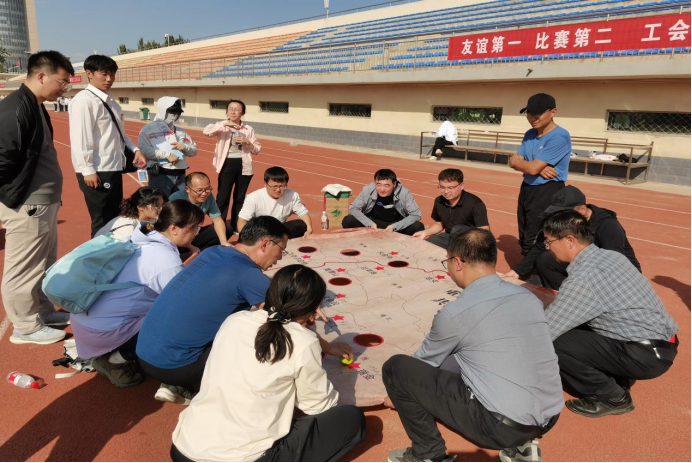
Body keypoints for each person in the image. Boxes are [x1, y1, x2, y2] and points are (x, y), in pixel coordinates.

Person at [383, 229, 563, 463]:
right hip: (550, 416)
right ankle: (521, 447)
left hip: (500, 427)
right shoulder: (527, 297)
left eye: (447, 261)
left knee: (397, 369)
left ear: (457, 262)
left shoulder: (456, 314)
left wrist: (395, 393)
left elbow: (423, 363)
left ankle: (427, 454)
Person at [171, 265, 366, 462]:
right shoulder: (304, 341)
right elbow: (318, 405)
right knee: (351, 419)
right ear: (313, 309)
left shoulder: (235, 320)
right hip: (239, 457)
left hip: (184, 447)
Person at [541, 211, 678, 418]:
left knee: (554, 343)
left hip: (645, 355)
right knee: (579, 324)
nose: (547, 247)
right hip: (664, 343)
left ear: (569, 240)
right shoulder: (611, 256)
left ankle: (612, 397)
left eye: (549, 241)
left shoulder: (584, 277)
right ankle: (617, 374)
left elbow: (547, 330)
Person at [71, 200, 205, 389]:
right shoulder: (167, 261)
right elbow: (183, 307)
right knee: (180, 322)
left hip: (84, 317)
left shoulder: (141, 234)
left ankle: (113, 351)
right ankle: (114, 360)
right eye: (195, 229)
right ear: (174, 228)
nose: (196, 234)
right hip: (101, 333)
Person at [0, 51, 75, 346]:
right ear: (42, 76)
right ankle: (25, 327)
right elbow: (3, 160)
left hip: (42, 202)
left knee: (44, 263)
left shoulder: (36, 106)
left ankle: (42, 311)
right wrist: (14, 196)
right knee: (24, 267)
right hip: (27, 204)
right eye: (63, 81)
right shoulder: (14, 109)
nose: (65, 88)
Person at [502, 186, 641, 290]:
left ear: (582, 210)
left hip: (617, 275)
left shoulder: (608, 226)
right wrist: (517, 271)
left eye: (565, 213)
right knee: (545, 259)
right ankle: (560, 294)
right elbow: (540, 245)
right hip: (584, 263)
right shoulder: (565, 222)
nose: (560, 217)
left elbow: (614, 263)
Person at [69, 54, 146, 238]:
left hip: (113, 167)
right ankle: (97, 253)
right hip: (97, 169)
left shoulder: (110, 101)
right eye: (104, 74)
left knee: (114, 217)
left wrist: (135, 150)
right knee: (102, 219)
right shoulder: (84, 100)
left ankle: (111, 250)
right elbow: (81, 138)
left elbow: (120, 135)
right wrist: (88, 169)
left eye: (112, 74)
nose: (109, 79)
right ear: (89, 73)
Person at [509, 93, 571, 256]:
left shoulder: (559, 136)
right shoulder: (530, 134)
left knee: (536, 235)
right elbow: (513, 161)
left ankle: (532, 268)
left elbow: (527, 166)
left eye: (538, 113)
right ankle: (528, 262)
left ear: (553, 112)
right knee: (524, 229)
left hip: (547, 190)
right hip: (527, 187)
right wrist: (535, 167)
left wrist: (531, 166)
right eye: (529, 113)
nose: (533, 118)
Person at [203, 99, 261, 230]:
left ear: (242, 113)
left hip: (244, 166)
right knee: (223, 197)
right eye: (230, 109)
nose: (233, 112)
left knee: (240, 198)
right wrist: (224, 123)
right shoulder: (222, 126)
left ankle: (236, 225)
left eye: (236, 109)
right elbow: (206, 132)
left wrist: (247, 142)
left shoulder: (248, 129)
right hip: (227, 164)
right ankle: (219, 225)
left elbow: (257, 149)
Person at [413, 169, 489, 249]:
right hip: (449, 237)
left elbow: (484, 232)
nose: (446, 191)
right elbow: (439, 224)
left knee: (457, 229)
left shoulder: (475, 204)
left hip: (471, 242)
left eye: (451, 188)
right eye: (442, 187)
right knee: (427, 245)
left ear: (461, 185)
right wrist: (425, 232)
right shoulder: (439, 201)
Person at [138, 97, 198, 196]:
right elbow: (144, 150)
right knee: (160, 203)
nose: (174, 115)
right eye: (171, 111)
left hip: (181, 175)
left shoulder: (181, 131)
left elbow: (194, 151)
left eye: (177, 112)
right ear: (163, 110)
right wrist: (167, 155)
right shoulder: (148, 129)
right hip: (161, 175)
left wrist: (184, 147)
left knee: (178, 204)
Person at [342, 169, 425, 236]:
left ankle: (402, 245)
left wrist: (395, 226)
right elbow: (353, 208)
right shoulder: (368, 189)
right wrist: (369, 223)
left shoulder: (404, 192)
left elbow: (416, 214)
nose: (382, 189)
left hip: (395, 225)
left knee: (418, 226)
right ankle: (360, 242)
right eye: (378, 184)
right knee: (348, 220)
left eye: (386, 185)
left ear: (394, 184)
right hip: (373, 223)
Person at [238, 167, 313, 239]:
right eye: (274, 186)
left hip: (279, 229)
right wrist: (246, 239)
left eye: (282, 186)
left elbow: (303, 213)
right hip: (260, 231)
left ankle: (278, 241)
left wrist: (309, 228)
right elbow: (242, 220)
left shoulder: (292, 195)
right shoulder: (253, 197)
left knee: (301, 225)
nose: (278, 190)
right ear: (265, 184)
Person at [169, 172, 232, 250]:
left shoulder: (209, 196)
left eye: (208, 189)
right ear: (187, 189)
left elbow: (217, 220)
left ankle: (201, 251)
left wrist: (224, 242)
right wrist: (190, 246)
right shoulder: (176, 199)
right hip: (178, 237)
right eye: (199, 190)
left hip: (194, 233)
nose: (204, 194)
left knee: (227, 229)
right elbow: (171, 228)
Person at [94, 186, 168, 242]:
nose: (161, 209)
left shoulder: (151, 219)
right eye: (157, 206)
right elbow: (124, 251)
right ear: (141, 207)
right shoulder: (127, 227)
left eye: (162, 205)